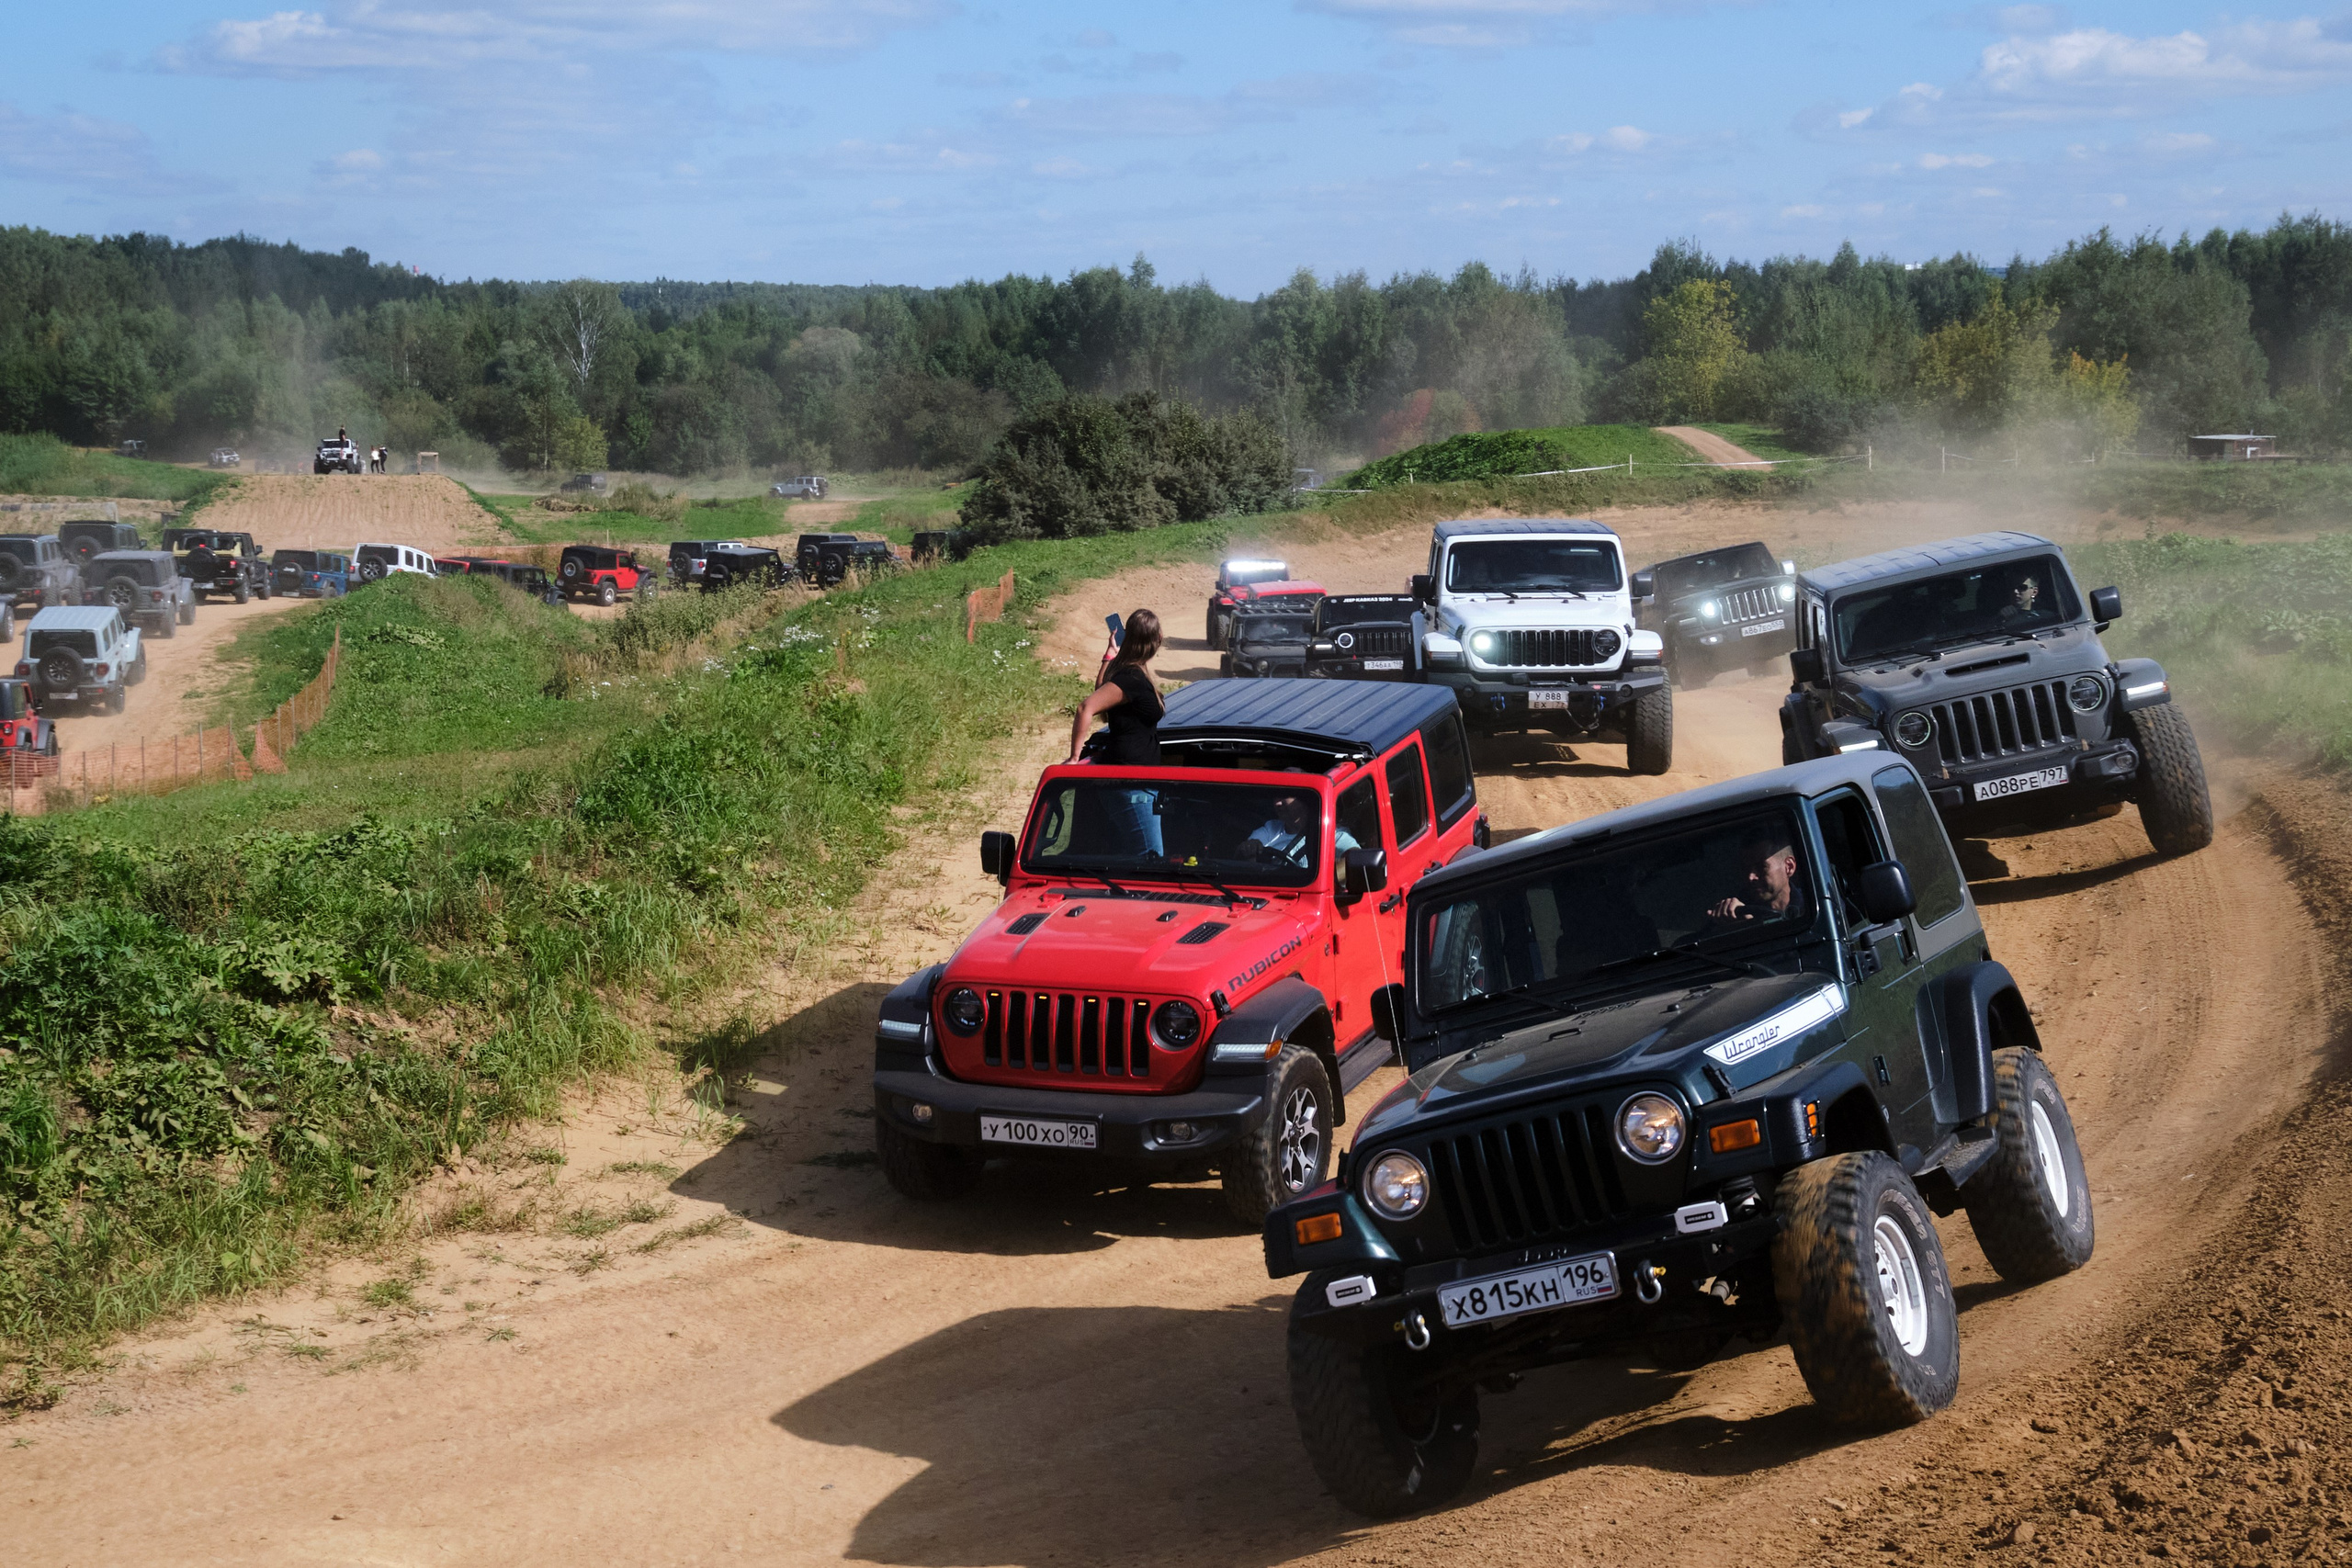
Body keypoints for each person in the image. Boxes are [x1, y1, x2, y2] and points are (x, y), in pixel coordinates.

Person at [1071, 608, 1165, 854]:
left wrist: (1110, 654)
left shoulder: (1130, 673)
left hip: (1135, 782)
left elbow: (1100, 692)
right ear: (1158, 639)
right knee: (1150, 857)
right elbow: (1086, 707)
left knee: (1139, 854)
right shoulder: (1132, 677)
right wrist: (1074, 757)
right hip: (1131, 784)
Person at [1707, 832, 1805, 924]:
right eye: (1745, 869)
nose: (1750, 877)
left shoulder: (1811, 906)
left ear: (1789, 867)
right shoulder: (1736, 914)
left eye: (1761, 867)